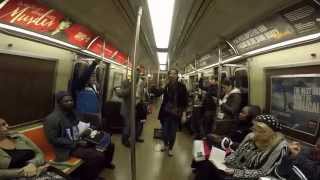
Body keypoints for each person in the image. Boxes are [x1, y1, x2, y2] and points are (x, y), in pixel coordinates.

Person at [44, 91, 115, 180]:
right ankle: (89, 177)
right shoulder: (52, 119)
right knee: (97, 156)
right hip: (66, 148)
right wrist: (76, 143)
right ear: (59, 103)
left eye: (71, 100)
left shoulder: (71, 114)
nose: (70, 103)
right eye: (66, 101)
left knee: (109, 145)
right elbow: (54, 139)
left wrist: (88, 131)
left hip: (79, 140)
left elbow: (78, 126)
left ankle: (105, 164)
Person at [195, 114, 288, 180]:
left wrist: (235, 172)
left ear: (273, 133)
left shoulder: (278, 146)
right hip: (233, 166)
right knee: (206, 162)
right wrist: (224, 161)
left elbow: (263, 172)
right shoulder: (251, 136)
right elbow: (236, 154)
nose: (257, 134)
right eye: (255, 129)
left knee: (208, 169)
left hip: (246, 175)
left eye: (262, 131)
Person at [0, 118, 67, 179]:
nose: (7, 126)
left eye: (5, 123)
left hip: (40, 168)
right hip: (16, 177)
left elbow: (39, 153)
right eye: (2, 125)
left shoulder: (18, 136)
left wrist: (32, 163)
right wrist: (23, 171)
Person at [158, 69, 188, 156]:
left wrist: (184, 114)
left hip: (176, 113)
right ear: (168, 75)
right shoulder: (166, 86)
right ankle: (165, 144)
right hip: (166, 112)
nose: (172, 75)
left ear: (177, 75)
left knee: (172, 132)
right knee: (164, 131)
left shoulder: (182, 87)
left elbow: (184, 102)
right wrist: (162, 87)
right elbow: (158, 94)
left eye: (174, 74)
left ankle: (170, 148)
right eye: (170, 74)